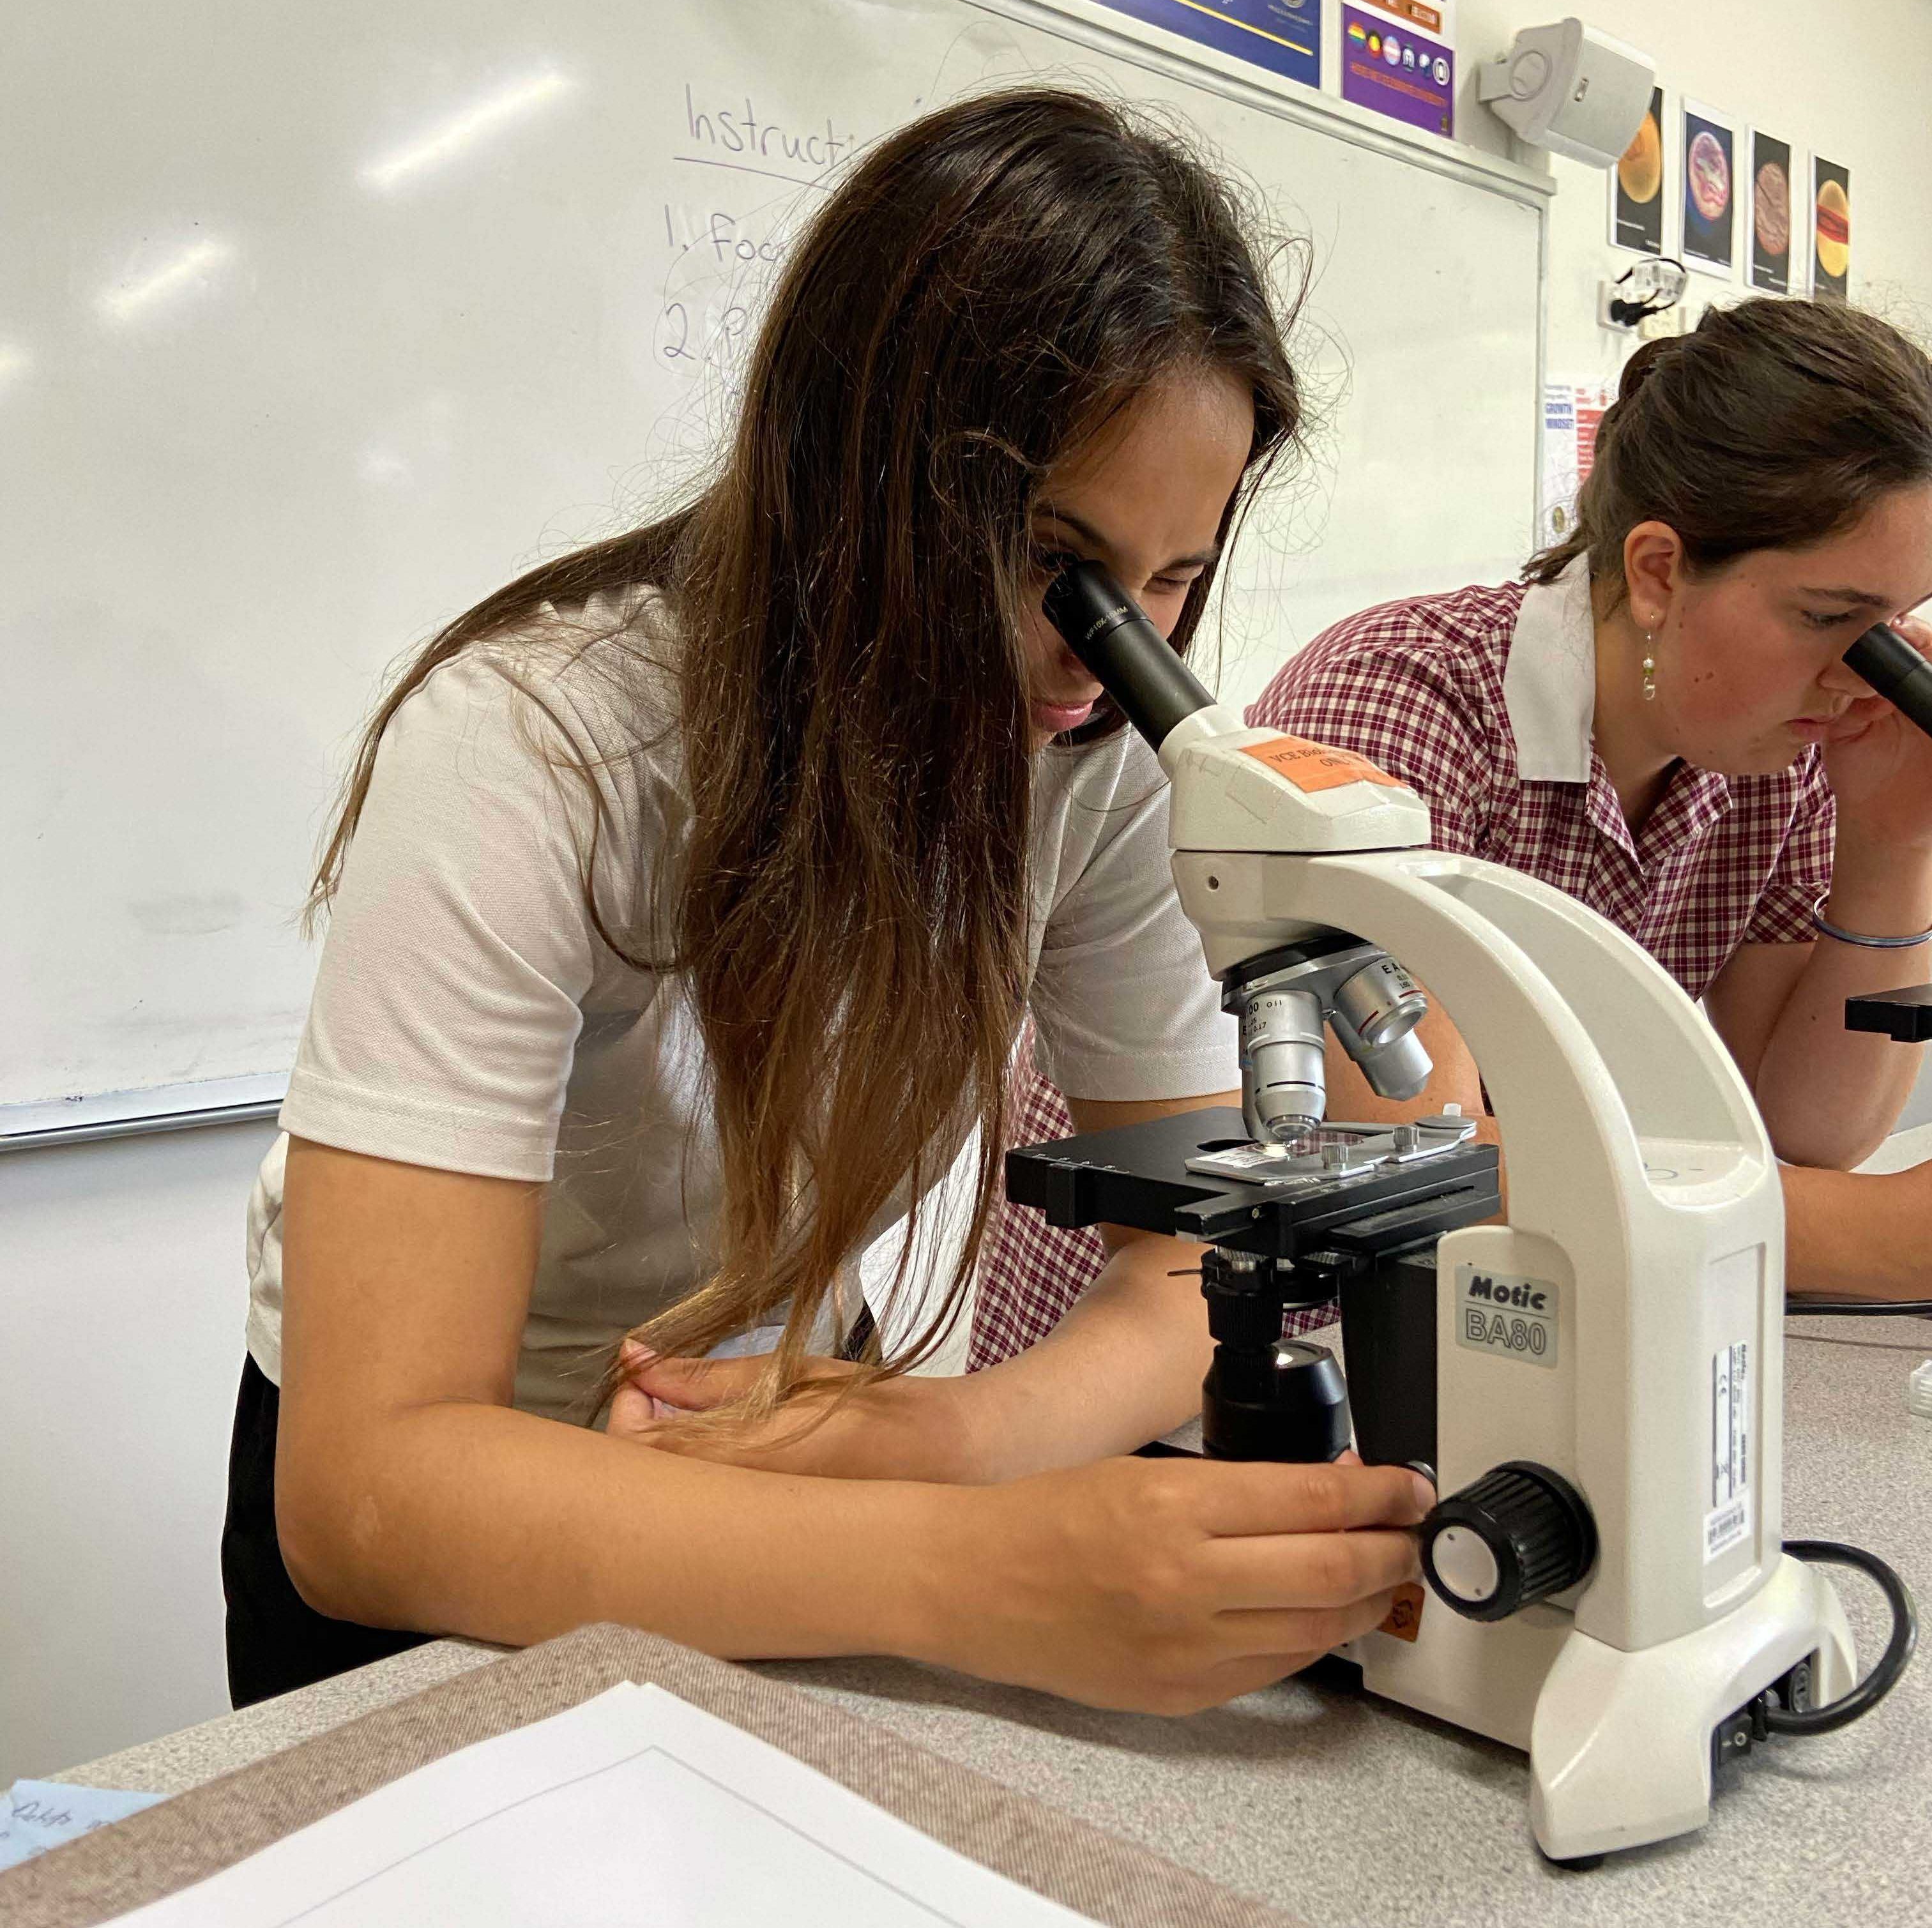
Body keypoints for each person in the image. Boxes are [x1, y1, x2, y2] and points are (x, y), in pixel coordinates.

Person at [221, 87, 1434, 1714]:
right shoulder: (538, 745)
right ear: (854, 474)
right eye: (1059, 561)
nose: (1108, 653)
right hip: (471, 1509)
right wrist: (992, 1568)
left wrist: (957, 1437)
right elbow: (370, 1495)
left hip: (788, 1455)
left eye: (1171, 577)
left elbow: (1182, 1263)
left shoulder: (1097, 756)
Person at [961, 296, 1932, 1358]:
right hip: (1179, 1335)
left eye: (1891, 626)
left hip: (1473, 1325)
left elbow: (1796, 1133)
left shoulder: (1771, 762)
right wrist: (1883, 1243)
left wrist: (1892, 844)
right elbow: (1407, 1152)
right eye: (1830, 618)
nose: (1859, 678)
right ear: (1657, 572)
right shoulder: (1404, 699)